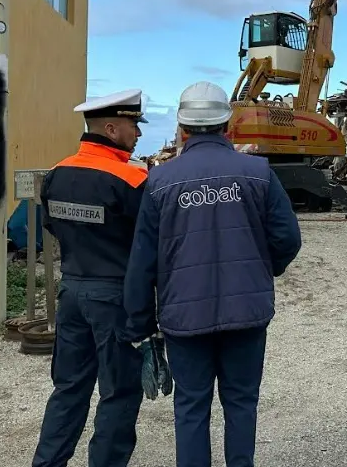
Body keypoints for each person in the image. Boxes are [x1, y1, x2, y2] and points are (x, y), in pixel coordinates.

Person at [123, 81, 302, 467]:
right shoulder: (258, 172)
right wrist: (261, 269)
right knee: (241, 403)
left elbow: (142, 261)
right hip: (247, 313)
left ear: (182, 128)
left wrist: (140, 325)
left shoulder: (159, 182)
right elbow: (287, 238)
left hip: (184, 319)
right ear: (228, 124)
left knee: (190, 407)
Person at [32, 89, 150, 467]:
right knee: (118, 391)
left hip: (72, 293)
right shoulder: (131, 180)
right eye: (134, 125)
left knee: (68, 387)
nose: (139, 134)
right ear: (112, 128)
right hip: (115, 296)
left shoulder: (56, 174)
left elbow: (52, 226)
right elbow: (150, 242)